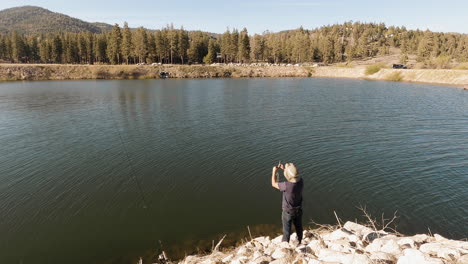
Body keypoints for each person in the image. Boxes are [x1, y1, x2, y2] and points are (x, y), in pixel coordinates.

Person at [271, 162, 304, 244]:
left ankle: (285, 247)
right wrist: (284, 169)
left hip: (288, 212)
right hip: (298, 210)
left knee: (286, 231)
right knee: (299, 228)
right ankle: (299, 241)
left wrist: (274, 172)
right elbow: (293, 177)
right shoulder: (301, 182)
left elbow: (273, 184)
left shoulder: (286, 185)